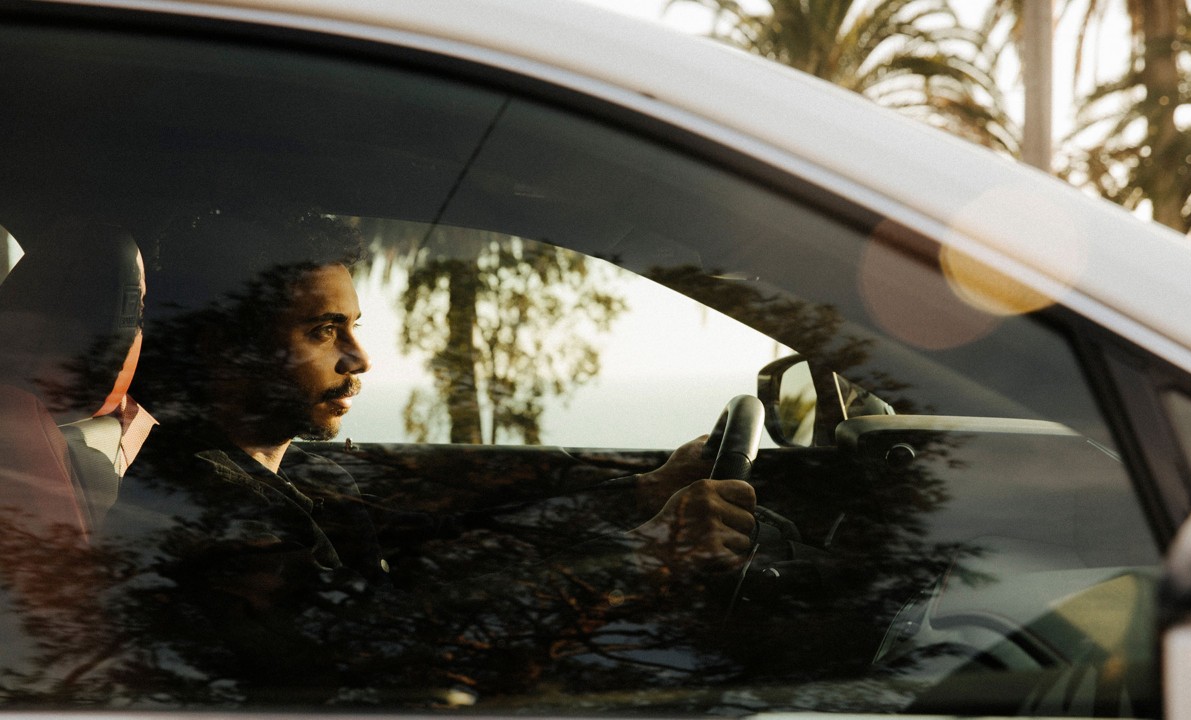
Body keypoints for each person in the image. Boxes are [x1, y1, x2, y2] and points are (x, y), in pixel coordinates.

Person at [100, 208, 758, 704]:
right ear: (225, 348)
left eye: (353, 326)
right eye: (324, 331)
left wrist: (641, 494)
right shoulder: (198, 508)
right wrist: (648, 557)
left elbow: (453, 514)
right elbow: (379, 652)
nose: (359, 359)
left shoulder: (279, 471)